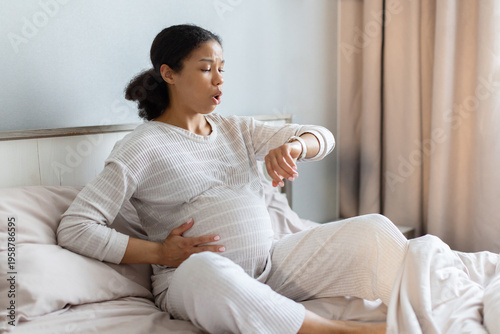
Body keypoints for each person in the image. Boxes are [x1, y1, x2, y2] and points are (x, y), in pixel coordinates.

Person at [57, 24, 408, 333]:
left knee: (372, 230)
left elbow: (323, 137)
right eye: (206, 68)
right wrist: (160, 252)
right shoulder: (140, 146)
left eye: (222, 68)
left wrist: (294, 148)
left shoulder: (237, 128)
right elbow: (76, 226)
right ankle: (333, 331)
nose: (220, 79)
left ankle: (424, 310)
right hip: (193, 281)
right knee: (204, 269)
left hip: (272, 265)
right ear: (169, 74)